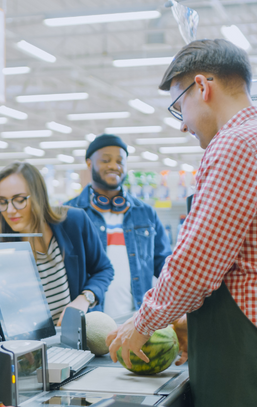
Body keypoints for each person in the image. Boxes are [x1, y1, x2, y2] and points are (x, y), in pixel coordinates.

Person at [106, 39, 257, 407]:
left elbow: (198, 261)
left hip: (241, 349)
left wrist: (144, 323)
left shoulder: (235, 143)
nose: (182, 126)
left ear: (203, 87)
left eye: (178, 107)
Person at [0, 162, 114, 325]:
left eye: (19, 199)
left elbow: (104, 269)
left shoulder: (74, 222)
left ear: (38, 196)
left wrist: (84, 298)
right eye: (3, 202)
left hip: (76, 338)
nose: (10, 210)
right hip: (29, 344)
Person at [65, 134, 171, 319]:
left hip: (138, 320)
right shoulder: (70, 213)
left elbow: (164, 265)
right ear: (89, 164)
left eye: (120, 161)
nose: (114, 166)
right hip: (91, 321)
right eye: (106, 160)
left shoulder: (145, 213)